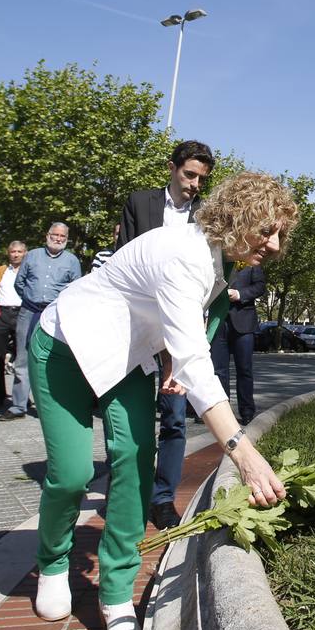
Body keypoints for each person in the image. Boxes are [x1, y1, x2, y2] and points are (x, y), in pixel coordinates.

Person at [30, 171, 296, 630]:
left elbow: (194, 322)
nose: (274, 246)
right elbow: (197, 358)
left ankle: (115, 594)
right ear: (237, 217)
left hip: (129, 359)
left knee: (135, 461)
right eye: (268, 230)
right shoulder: (183, 255)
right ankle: (52, 563)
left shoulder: (221, 260)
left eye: (280, 235)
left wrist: (169, 359)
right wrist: (246, 455)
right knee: (71, 474)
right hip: (65, 348)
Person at [115, 139, 214, 529]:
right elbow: (122, 260)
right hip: (137, 321)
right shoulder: (140, 203)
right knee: (135, 413)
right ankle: (131, 493)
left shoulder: (206, 217)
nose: (194, 184)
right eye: (189, 174)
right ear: (172, 168)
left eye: (201, 179)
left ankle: (162, 499)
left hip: (182, 325)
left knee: (174, 416)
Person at [0, 224, 81, 422]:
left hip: (55, 315)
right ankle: (18, 406)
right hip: (29, 312)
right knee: (23, 358)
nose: (59, 238)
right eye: (55, 234)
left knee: (53, 360)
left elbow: (76, 288)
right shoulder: (33, 255)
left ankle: (52, 405)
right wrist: (30, 299)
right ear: (47, 235)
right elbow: (20, 282)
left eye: (63, 236)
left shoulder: (72, 261)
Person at [210, 262, 265, 425]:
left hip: (244, 323)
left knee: (244, 370)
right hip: (218, 322)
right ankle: (222, 414)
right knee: (218, 371)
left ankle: (247, 411)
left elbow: (260, 286)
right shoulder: (216, 260)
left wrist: (240, 294)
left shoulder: (252, 262)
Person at [0, 240, 26, 410]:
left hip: (22, 314)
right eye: (13, 251)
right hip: (0, 314)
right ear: (8, 253)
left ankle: (22, 398)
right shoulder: (1, 271)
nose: (16, 254)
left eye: (19, 251)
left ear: (25, 253)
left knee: (23, 360)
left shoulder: (29, 271)